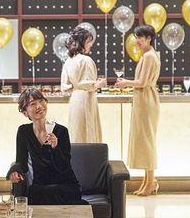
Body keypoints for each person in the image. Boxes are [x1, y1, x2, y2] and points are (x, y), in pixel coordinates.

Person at [7, 88, 85, 205]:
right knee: (35, 194)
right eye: (33, 104)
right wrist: (14, 171)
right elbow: (21, 163)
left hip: (65, 186)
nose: (39, 106)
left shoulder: (61, 131)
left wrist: (55, 147)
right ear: (25, 113)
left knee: (44, 195)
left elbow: (65, 167)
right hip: (40, 187)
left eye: (41, 101)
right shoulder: (23, 131)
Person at [116, 25, 162, 196]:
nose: (137, 41)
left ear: (149, 38)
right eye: (136, 37)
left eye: (140, 37)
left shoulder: (149, 56)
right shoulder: (149, 55)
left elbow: (142, 82)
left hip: (146, 99)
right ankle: (148, 181)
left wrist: (125, 82)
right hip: (144, 98)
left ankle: (151, 182)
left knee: (147, 140)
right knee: (145, 139)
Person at [60, 26, 106, 143]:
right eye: (89, 41)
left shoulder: (68, 61)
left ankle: (76, 155)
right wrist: (98, 84)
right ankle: (89, 155)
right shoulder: (86, 60)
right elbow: (89, 84)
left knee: (76, 133)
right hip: (86, 98)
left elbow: (65, 87)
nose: (91, 45)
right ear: (81, 42)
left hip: (75, 99)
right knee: (88, 132)